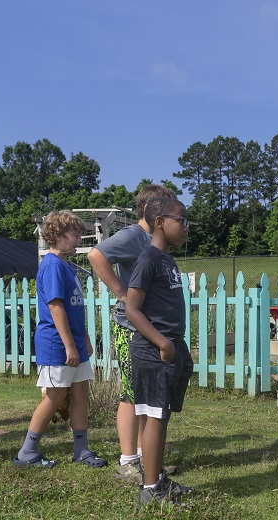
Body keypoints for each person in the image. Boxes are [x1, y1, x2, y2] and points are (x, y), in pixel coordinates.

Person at [86, 184, 175, 484]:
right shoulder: (132, 236)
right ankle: (127, 461)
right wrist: (120, 292)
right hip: (129, 327)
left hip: (145, 327)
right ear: (153, 211)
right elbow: (96, 255)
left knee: (144, 395)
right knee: (132, 392)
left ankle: (143, 457)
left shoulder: (152, 240)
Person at [14, 210, 105, 469]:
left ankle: (81, 449)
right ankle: (27, 452)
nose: (79, 240)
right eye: (75, 235)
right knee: (53, 398)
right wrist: (68, 345)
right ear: (58, 236)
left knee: (81, 394)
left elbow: (75, 308)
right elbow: (56, 308)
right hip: (57, 345)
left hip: (74, 344)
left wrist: (84, 339)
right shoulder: (52, 265)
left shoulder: (66, 265)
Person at [124, 197, 194, 506]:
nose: (186, 227)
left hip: (169, 347)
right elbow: (131, 309)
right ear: (160, 222)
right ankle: (150, 490)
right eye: (181, 220)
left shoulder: (168, 259)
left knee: (160, 416)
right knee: (154, 416)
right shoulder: (149, 259)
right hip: (153, 350)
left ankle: (156, 479)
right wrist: (163, 343)